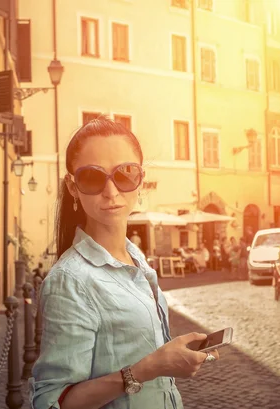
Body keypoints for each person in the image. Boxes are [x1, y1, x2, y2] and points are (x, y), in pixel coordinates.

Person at [29, 117, 219, 409]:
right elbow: (51, 402)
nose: (111, 191)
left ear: (140, 179)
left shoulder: (136, 259)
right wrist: (150, 367)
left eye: (125, 173)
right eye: (93, 177)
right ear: (72, 186)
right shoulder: (70, 280)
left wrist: (170, 354)